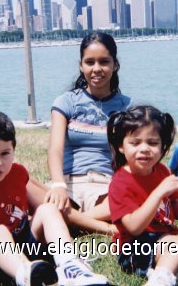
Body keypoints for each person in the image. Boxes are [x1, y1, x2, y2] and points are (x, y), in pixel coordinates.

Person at [0, 109, 109, 286]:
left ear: (14, 150)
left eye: (4, 153)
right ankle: (27, 275)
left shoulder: (17, 173)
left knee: (48, 209)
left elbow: (39, 212)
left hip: (22, 242)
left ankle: (70, 265)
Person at [107, 105, 178, 286]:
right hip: (136, 248)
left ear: (163, 147)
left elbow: (174, 203)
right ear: (121, 146)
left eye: (152, 143)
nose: (144, 149)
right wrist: (158, 192)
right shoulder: (120, 182)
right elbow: (133, 228)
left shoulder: (162, 170)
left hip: (168, 240)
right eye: (135, 143)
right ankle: (161, 279)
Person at [45, 32, 132, 218]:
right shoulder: (65, 102)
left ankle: (73, 219)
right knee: (21, 179)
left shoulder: (128, 108)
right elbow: (55, 150)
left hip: (105, 187)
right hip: (66, 184)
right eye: (90, 62)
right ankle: (91, 220)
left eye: (104, 62)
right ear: (81, 65)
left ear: (115, 65)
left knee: (130, 198)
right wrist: (58, 185)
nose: (97, 68)